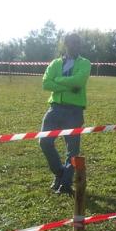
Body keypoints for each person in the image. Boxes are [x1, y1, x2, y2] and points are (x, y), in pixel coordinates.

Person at [40, 33, 91, 196]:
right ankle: (60, 173)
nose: (77, 46)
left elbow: (79, 81)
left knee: (72, 150)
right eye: (73, 43)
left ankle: (66, 183)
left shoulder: (85, 63)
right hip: (54, 108)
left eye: (79, 43)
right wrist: (67, 86)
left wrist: (58, 81)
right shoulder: (55, 63)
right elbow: (46, 83)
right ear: (66, 44)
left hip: (74, 110)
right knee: (44, 142)